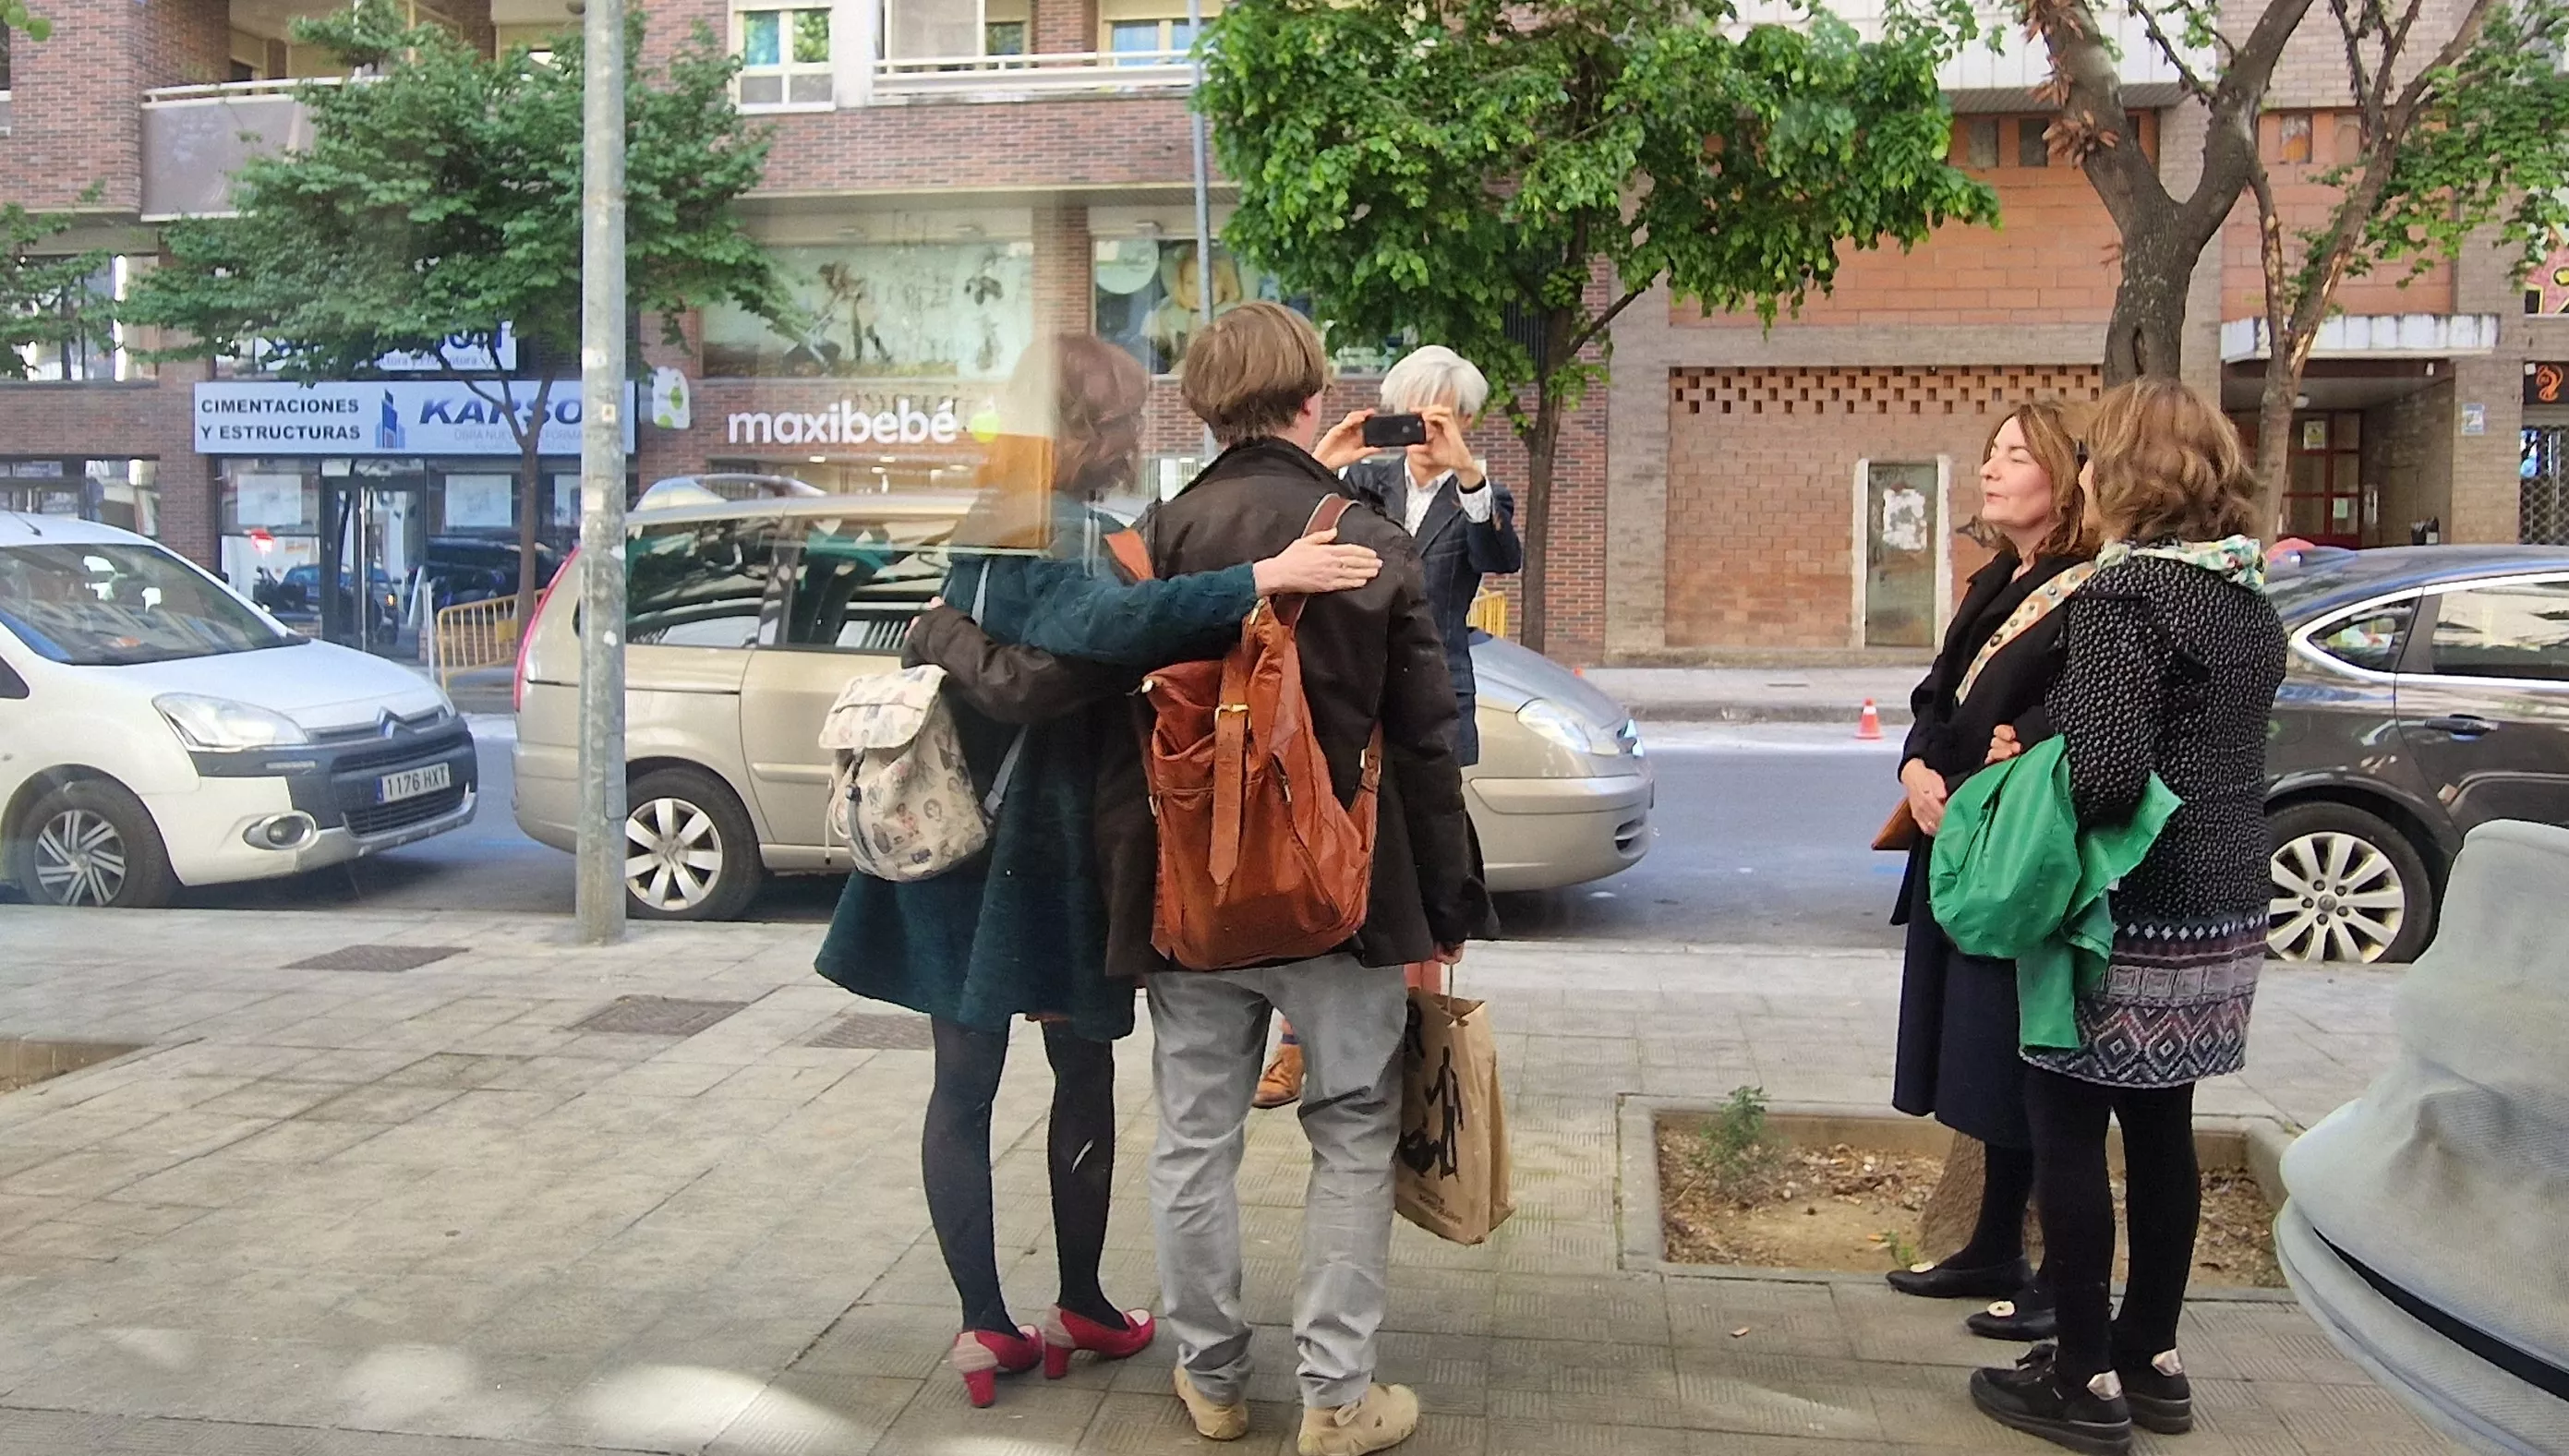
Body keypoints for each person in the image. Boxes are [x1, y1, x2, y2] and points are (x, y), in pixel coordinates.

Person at [814, 333, 1385, 1410]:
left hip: (959, 840)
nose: (1135, 438)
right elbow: (1101, 629)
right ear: (1086, 431)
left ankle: (998, 1323)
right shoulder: (1056, 530)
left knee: (966, 1085)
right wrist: (1264, 572)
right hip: (1042, 843)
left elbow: (1035, 667)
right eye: (1123, 420)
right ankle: (1070, 1300)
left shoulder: (991, 524)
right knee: (1073, 1073)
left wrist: (955, 640)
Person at [1140, 301, 1488, 1456]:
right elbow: (1425, 735)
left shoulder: (1157, 534)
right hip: (1345, 893)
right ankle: (1337, 1397)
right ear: (1309, 399)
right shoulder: (1365, 534)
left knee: (1194, 1136)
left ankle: (1213, 1378)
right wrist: (1444, 906)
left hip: (1194, 892)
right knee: (1350, 1127)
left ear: (1201, 403)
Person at [1966, 378, 2286, 1454]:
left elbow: (2104, 777)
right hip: (2229, 895)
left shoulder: (2122, 599)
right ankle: (2154, 1358)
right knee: (2163, 1128)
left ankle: (2085, 1376)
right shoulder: (2244, 595)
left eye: (2096, 459)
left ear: (2127, 476)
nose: (2086, 476)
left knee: (2065, 1128)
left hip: (2128, 905)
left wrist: (2028, 766)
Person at [1255, 345, 1525, 1109]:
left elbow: (1499, 556)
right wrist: (1323, 457)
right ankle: (1297, 1044)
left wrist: (1466, 471)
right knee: (1316, 867)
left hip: (1432, 705)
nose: (1422, 429)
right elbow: (1289, 532)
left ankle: (1419, 1048)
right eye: (1411, 411)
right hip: (1344, 701)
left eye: (1441, 414)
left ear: (1466, 420)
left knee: (1429, 879)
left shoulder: (1482, 493)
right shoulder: (1362, 482)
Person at [1885, 402, 2096, 1342]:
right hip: (1958, 833)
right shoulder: (1995, 579)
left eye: (2015, 454)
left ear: (2063, 476)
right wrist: (1917, 763)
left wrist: (2025, 743)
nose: (1990, 468)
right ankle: (1990, 1244)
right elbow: (1936, 691)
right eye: (1990, 453)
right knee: (1976, 1048)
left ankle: (2049, 1269)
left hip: (2015, 852)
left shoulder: (2081, 588)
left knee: (2019, 1050)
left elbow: (2080, 717)